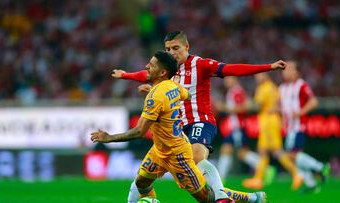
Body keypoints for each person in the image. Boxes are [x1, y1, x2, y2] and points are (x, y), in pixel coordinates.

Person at [113, 31, 286, 202]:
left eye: (176, 48)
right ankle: (252, 198)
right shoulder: (168, 71)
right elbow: (146, 74)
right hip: (177, 130)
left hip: (200, 121)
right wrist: (126, 75)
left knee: (196, 159)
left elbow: (232, 69)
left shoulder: (201, 65)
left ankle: (221, 199)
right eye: (168, 49)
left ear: (187, 47)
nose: (172, 53)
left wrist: (268, 67)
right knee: (190, 182)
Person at [91, 50, 232, 202]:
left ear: (163, 72)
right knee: (141, 182)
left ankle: (246, 199)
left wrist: (109, 138)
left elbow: (139, 131)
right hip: (159, 150)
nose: (146, 66)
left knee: (207, 197)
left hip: (177, 154)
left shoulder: (155, 97)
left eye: (151, 65)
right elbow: (188, 95)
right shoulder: (173, 86)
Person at [242, 73, 302, 190]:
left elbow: (258, 106)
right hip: (272, 121)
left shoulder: (263, 88)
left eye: (258, 76)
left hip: (268, 122)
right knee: (263, 150)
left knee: (276, 151)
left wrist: (248, 104)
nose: (256, 78)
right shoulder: (274, 87)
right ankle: (258, 179)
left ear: (266, 75)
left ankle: (296, 174)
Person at [279, 61, 330, 193]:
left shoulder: (301, 85)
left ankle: (320, 167)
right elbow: (283, 107)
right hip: (288, 127)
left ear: (297, 72)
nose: (286, 72)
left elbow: (314, 101)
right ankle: (312, 184)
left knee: (292, 155)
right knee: (294, 157)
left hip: (298, 126)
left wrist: (301, 112)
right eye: (285, 69)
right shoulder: (282, 88)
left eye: (290, 69)